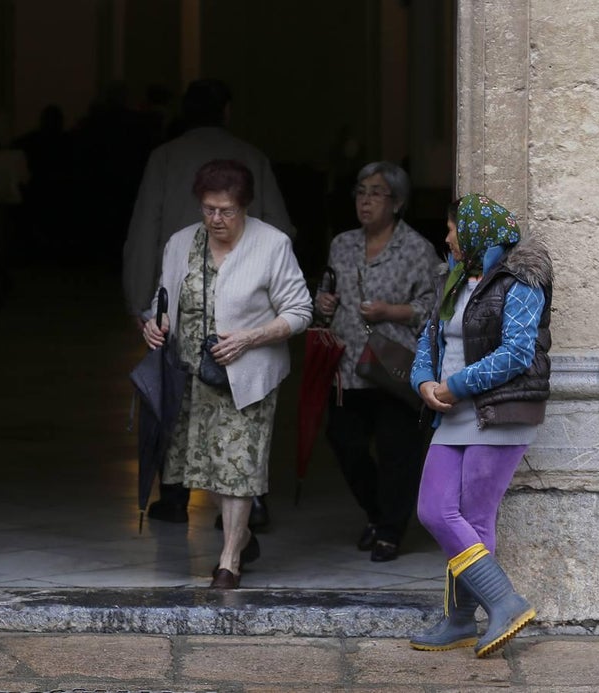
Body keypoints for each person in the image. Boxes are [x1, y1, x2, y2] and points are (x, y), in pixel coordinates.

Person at [125, 78, 294, 526]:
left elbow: (145, 231)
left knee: (176, 406)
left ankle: (179, 498)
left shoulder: (164, 157)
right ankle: (245, 505)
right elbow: (282, 225)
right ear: (227, 111)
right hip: (202, 301)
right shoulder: (251, 154)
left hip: (185, 311)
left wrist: (140, 303)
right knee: (197, 410)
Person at [142, 159, 311, 589]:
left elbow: (300, 312)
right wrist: (154, 323)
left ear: (245, 207)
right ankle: (245, 535)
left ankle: (229, 560)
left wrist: (250, 338)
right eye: (209, 209)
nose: (217, 219)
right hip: (191, 376)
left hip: (247, 375)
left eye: (227, 210)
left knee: (238, 466)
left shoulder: (271, 245)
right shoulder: (180, 243)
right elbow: (164, 299)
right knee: (206, 468)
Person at [407, 193, 553, 657]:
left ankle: (463, 618)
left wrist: (455, 385)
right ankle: (499, 602)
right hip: (451, 410)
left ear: (472, 232)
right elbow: (426, 338)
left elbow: (516, 353)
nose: (445, 237)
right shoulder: (452, 280)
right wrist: (425, 382)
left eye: (451, 229)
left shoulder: (521, 280)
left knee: (472, 518)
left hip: (500, 412)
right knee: (435, 509)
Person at [313, 161, 440, 562]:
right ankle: (377, 512)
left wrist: (392, 310)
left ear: (397, 203)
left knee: (396, 451)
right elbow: (327, 295)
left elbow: (435, 307)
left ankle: (390, 531)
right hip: (348, 366)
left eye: (376, 193)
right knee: (345, 442)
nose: (365, 201)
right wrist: (323, 303)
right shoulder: (342, 244)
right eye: (361, 191)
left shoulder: (417, 249)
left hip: (394, 366)